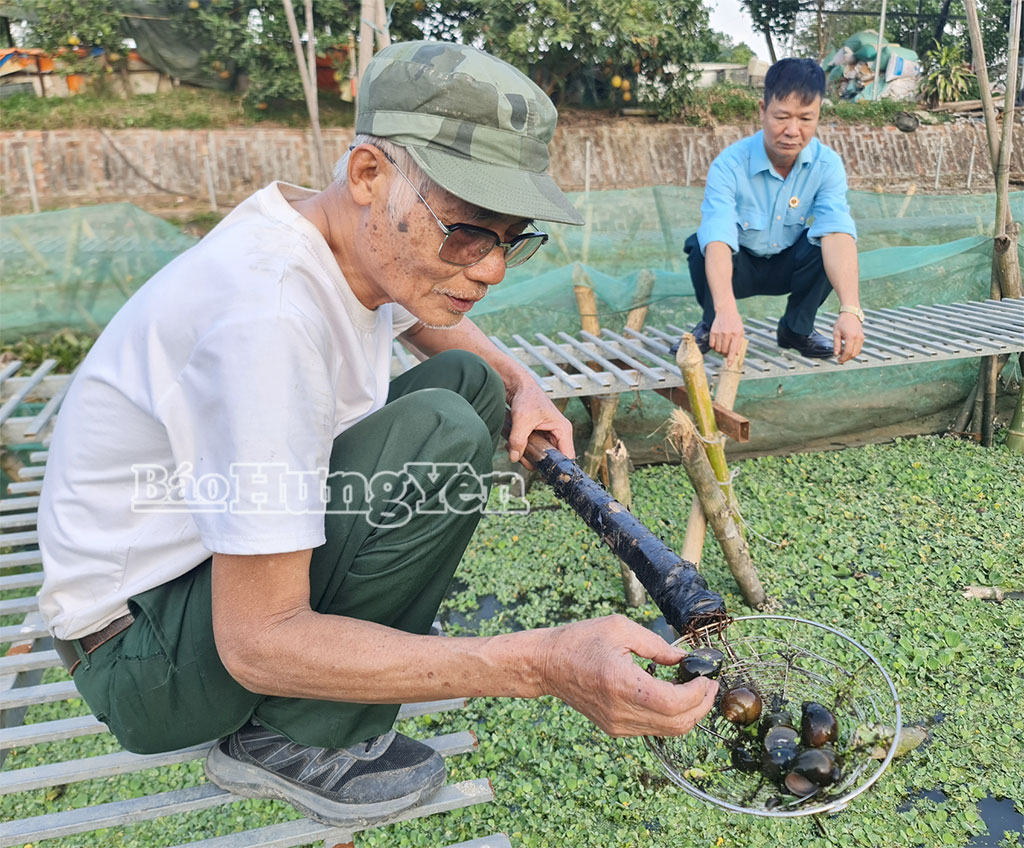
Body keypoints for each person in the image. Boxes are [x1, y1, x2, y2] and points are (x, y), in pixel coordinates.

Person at [37, 41, 717, 828]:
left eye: (511, 237)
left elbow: (425, 323)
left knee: (471, 386)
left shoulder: (324, 229)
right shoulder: (267, 320)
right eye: (466, 233)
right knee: (441, 429)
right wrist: (538, 662)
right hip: (140, 656)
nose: (492, 270)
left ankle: (307, 713)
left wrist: (521, 381)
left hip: (174, 587)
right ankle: (293, 742)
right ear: (368, 175)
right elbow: (257, 642)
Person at [675, 57, 865, 365]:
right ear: (763, 111)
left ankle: (796, 329)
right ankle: (714, 323)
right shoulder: (729, 165)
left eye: (806, 119)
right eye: (782, 117)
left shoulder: (826, 165)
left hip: (787, 266)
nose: (793, 131)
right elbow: (719, 235)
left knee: (827, 242)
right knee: (702, 243)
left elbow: (837, 230)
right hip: (739, 267)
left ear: (818, 115)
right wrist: (726, 310)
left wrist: (851, 310)